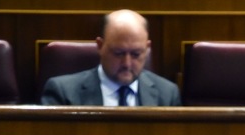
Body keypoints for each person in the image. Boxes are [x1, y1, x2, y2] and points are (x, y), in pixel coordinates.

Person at [41, 10, 181, 106]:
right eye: (119, 53)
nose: (127, 63)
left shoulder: (167, 94)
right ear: (100, 46)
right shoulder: (63, 93)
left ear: (147, 48)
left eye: (136, 54)